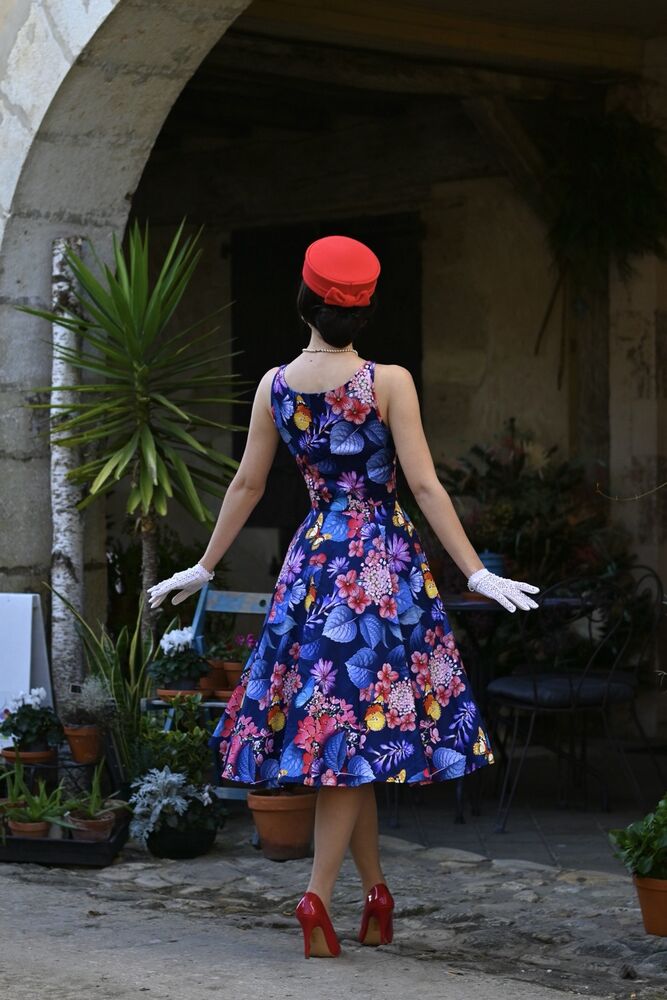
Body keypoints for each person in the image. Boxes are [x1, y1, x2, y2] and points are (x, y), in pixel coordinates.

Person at [147, 234, 539, 959]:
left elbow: (247, 484)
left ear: (304, 300)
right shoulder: (388, 381)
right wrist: (474, 570)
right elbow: (424, 486)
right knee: (351, 740)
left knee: (349, 735)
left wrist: (205, 564)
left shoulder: (275, 386)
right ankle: (317, 898)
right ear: (364, 313)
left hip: (315, 560)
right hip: (381, 567)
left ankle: (376, 892)